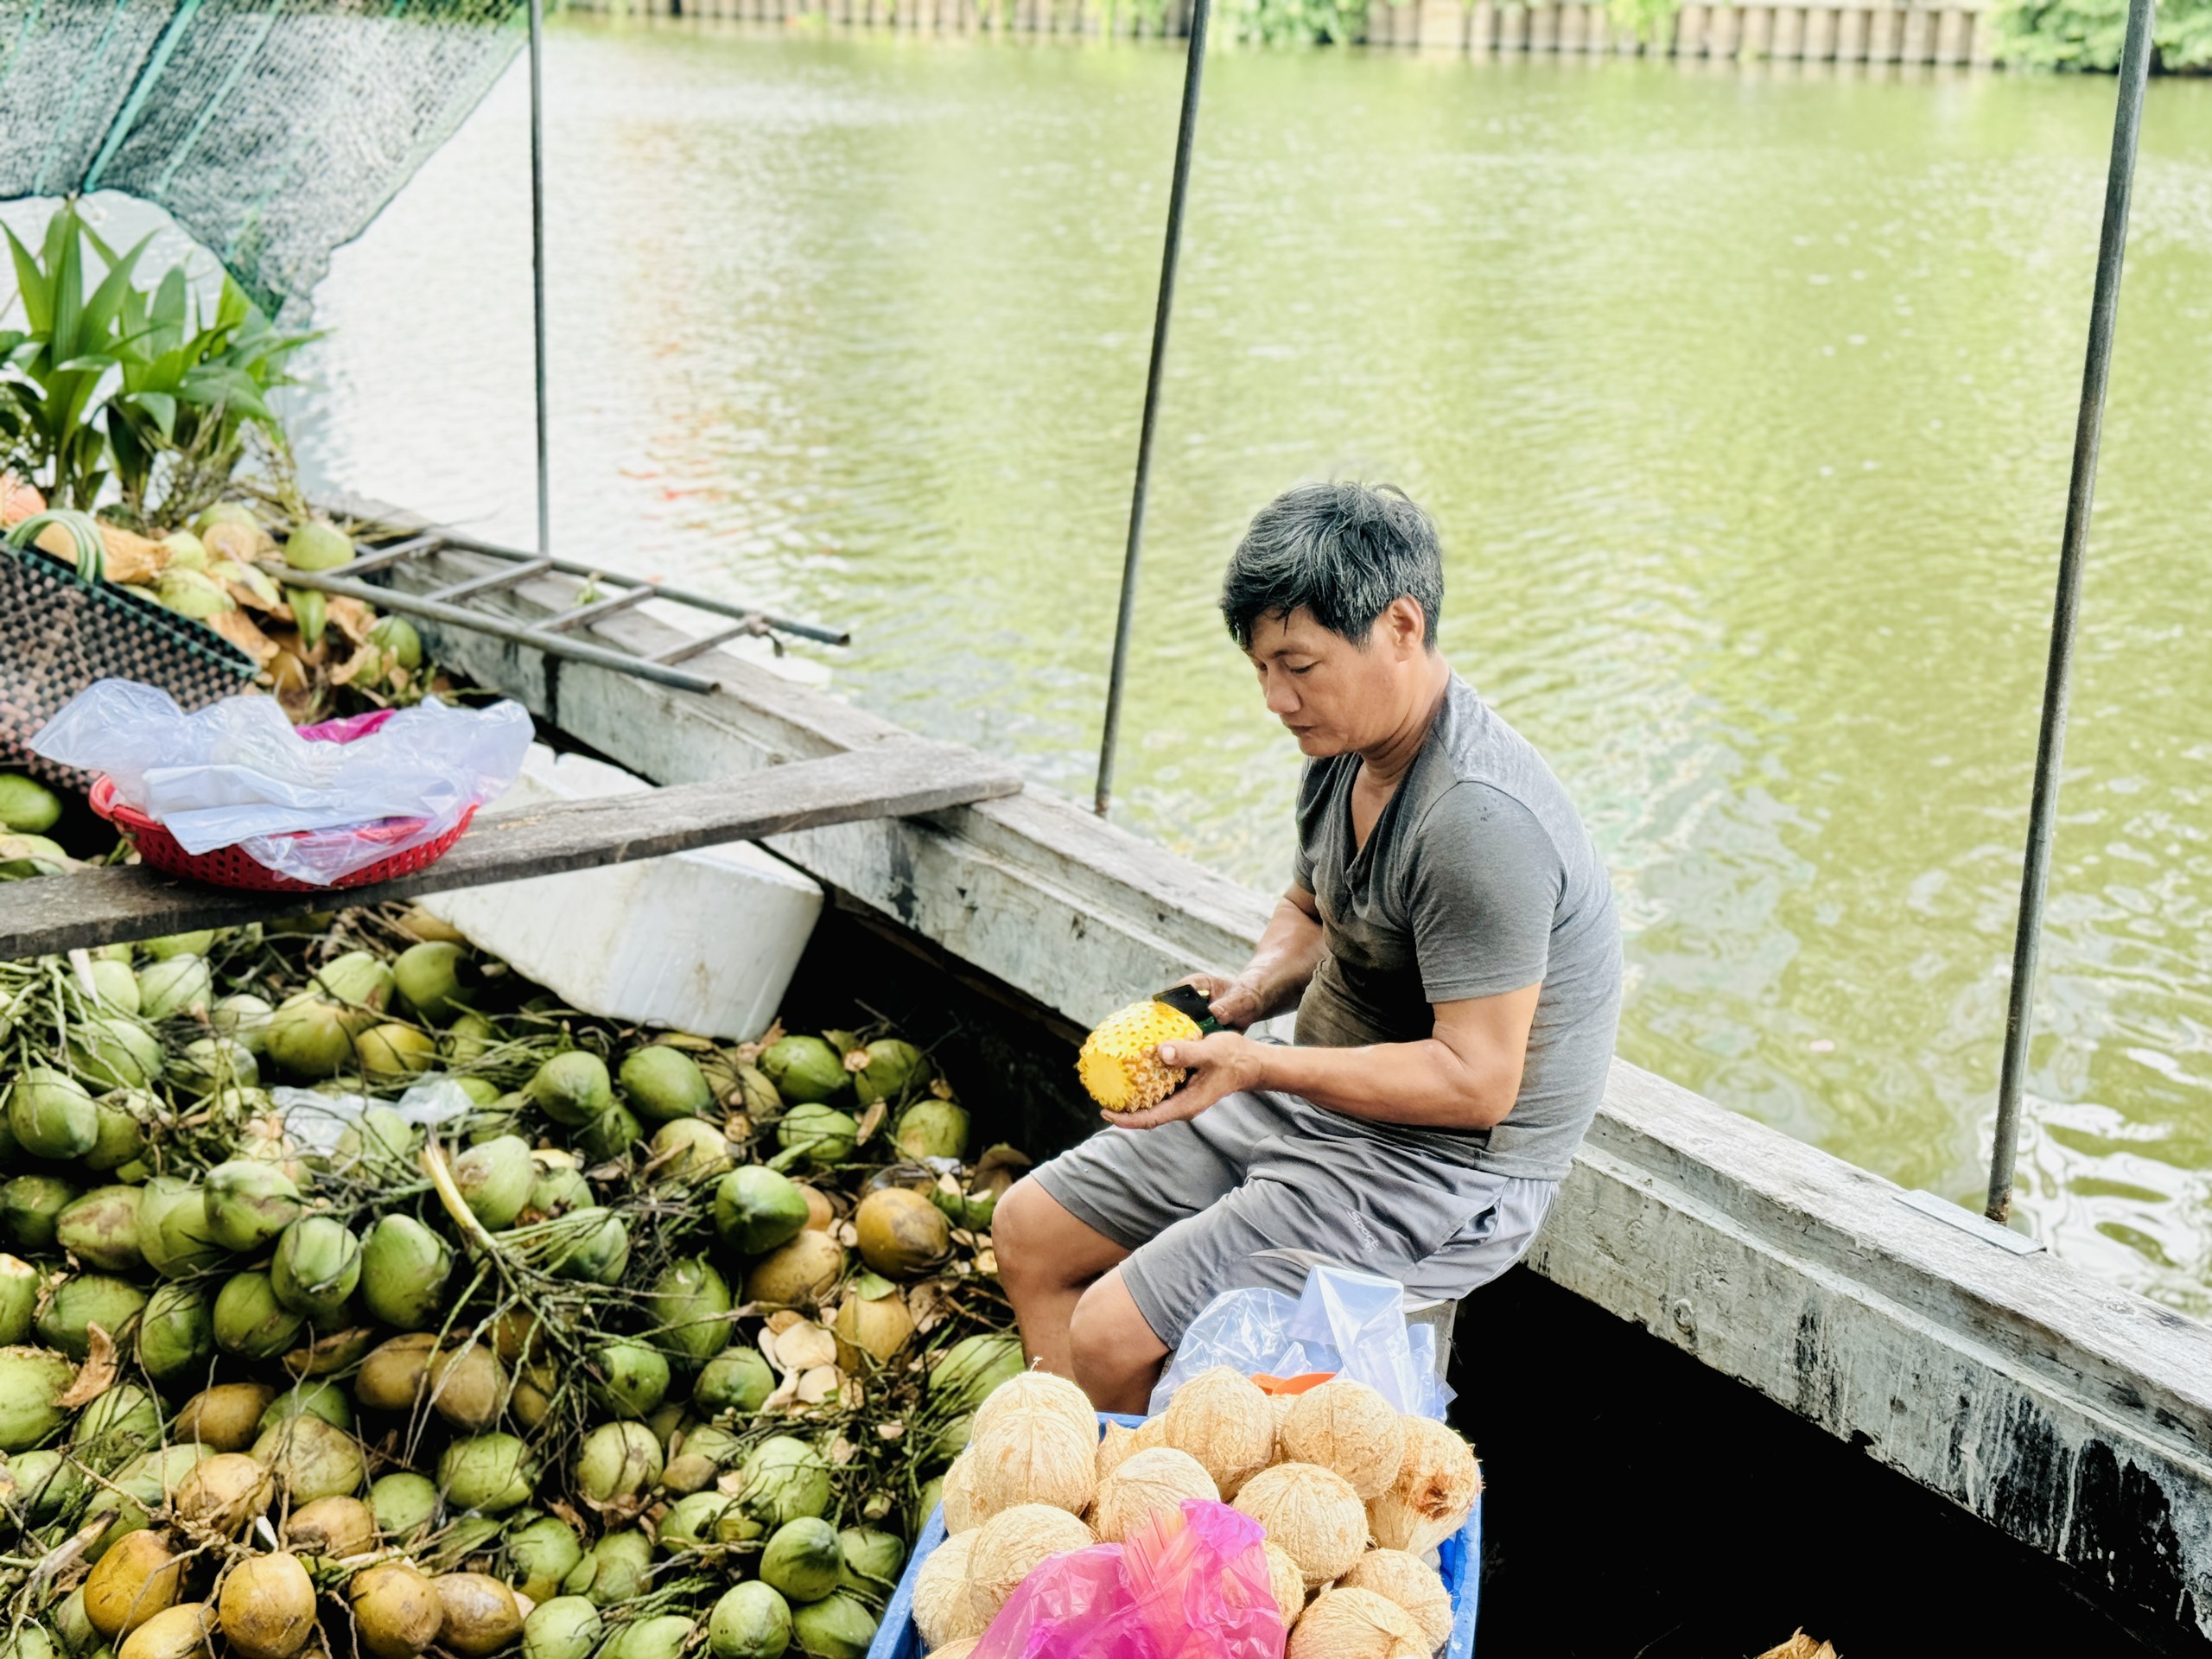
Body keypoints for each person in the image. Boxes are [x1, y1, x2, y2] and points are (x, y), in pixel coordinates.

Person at [994, 480, 1623, 1413]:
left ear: (1400, 627)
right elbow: (1309, 910)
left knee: (1112, 1330)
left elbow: (1476, 1082)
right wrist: (1250, 993)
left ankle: (1154, 1522)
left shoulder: (1475, 822)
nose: (1275, 700)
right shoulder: (1344, 753)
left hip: (1441, 1170)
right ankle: (1063, 1474)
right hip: (1314, 1094)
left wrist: (1254, 1067)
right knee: (1030, 1228)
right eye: (1259, 669)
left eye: (1299, 665)